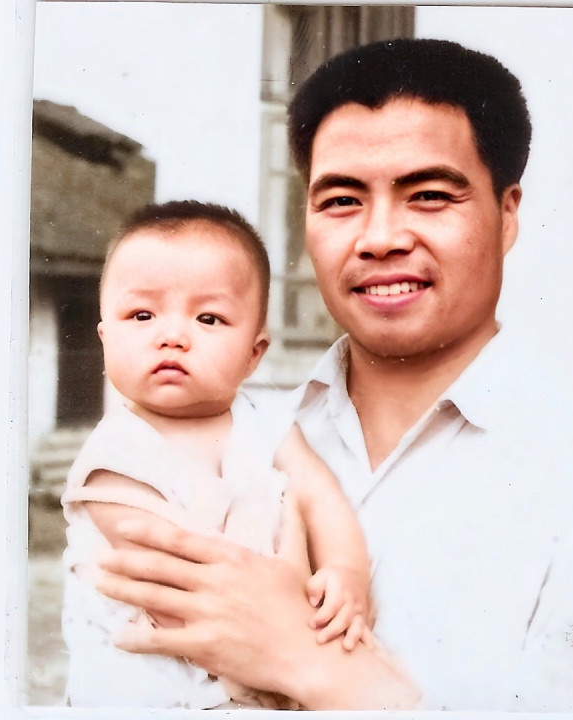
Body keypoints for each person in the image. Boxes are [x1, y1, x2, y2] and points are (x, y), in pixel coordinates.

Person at [94, 39, 573, 711]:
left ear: (507, 214)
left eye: (429, 195)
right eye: (341, 200)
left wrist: (314, 665)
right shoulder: (244, 435)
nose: (380, 238)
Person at [60, 200, 382, 708]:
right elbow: (180, 592)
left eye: (208, 318)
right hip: (153, 695)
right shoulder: (113, 459)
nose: (172, 336)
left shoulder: (268, 424)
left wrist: (346, 572)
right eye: (142, 315)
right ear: (105, 337)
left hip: (269, 666)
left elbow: (323, 499)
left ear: (254, 353)